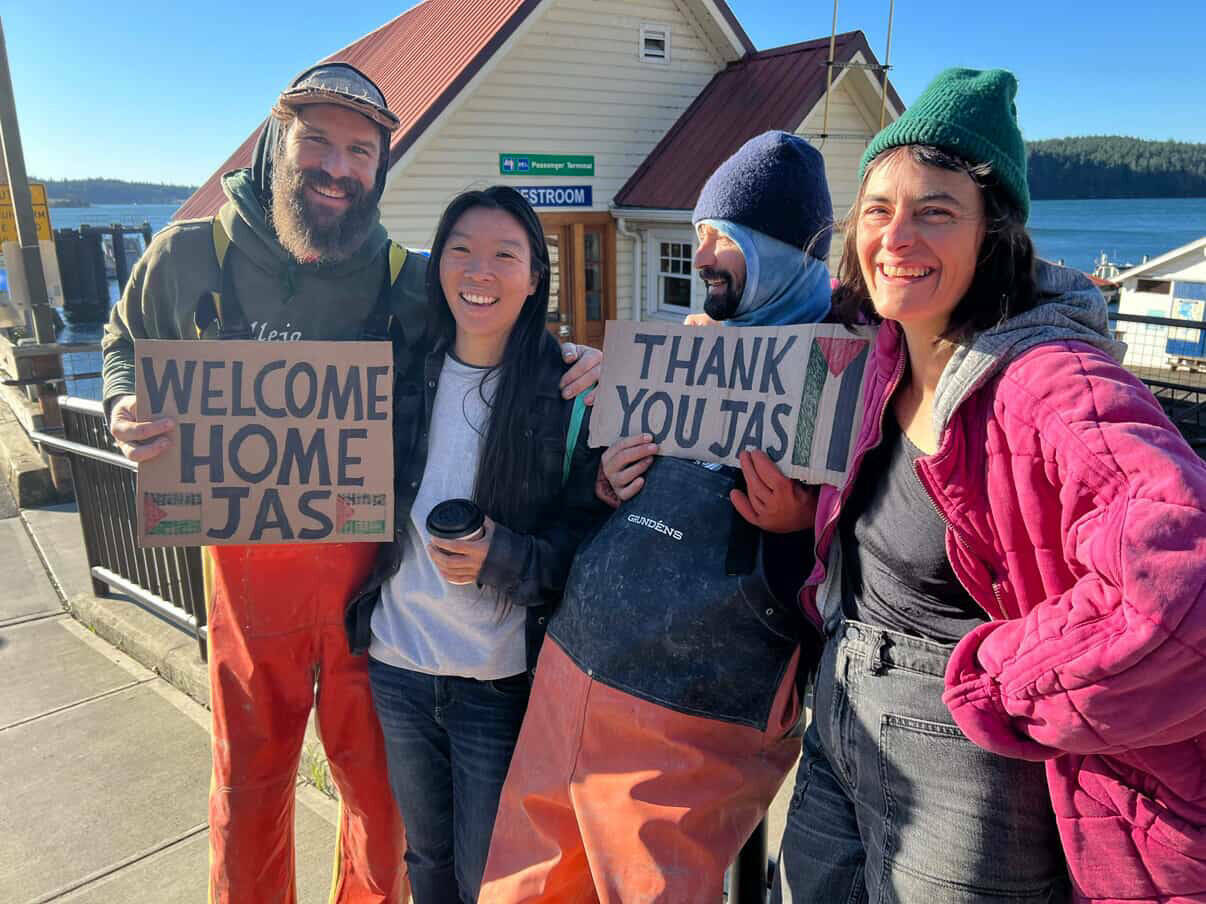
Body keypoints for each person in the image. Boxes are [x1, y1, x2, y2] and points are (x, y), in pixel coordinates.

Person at [101, 64, 599, 904]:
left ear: (380, 168)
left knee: (379, 800)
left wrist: (572, 358)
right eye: (318, 141)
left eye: (361, 151)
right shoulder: (187, 254)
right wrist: (120, 401)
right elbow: (123, 342)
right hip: (244, 577)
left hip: (370, 584)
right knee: (246, 788)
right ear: (276, 141)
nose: (337, 167)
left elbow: (490, 323)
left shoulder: (406, 276)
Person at [771, 68, 1206, 904]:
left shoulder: (1049, 380)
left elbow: (1181, 582)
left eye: (935, 210)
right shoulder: (880, 349)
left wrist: (1000, 681)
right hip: (841, 716)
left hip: (963, 756)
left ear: (993, 232)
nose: (896, 236)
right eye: (877, 209)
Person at [479, 132, 834, 903]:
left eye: (724, 240)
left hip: (693, 715)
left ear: (776, 251)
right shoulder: (674, 350)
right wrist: (602, 486)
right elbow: (590, 503)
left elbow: (860, 577)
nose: (701, 255)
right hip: (574, 673)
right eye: (699, 234)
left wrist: (796, 530)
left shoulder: (836, 376)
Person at [343, 185, 611, 904]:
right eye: (460, 250)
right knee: (426, 862)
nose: (479, 271)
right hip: (397, 665)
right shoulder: (398, 372)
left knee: (490, 877)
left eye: (504, 254)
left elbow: (583, 554)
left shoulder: (572, 394)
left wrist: (501, 556)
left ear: (534, 278)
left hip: (496, 682)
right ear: (437, 268)